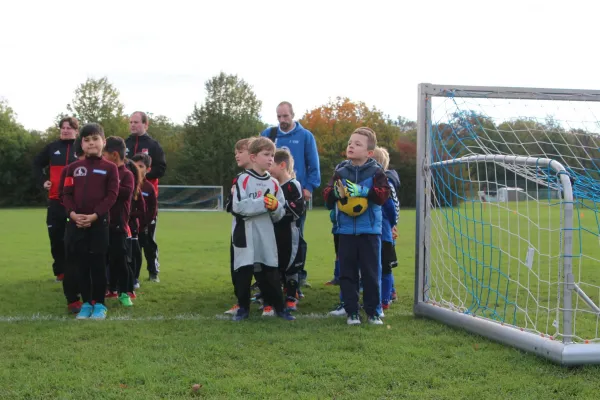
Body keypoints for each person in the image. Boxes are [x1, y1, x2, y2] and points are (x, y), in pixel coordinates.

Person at [323, 127, 390, 325]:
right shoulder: (340, 172)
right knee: (347, 273)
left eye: (357, 144)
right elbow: (327, 197)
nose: (351, 146)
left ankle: (373, 312)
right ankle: (351, 311)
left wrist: (363, 191)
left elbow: (382, 196)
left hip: (369, 231)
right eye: (350, 142)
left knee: (371, 274)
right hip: (345, 231)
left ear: (369, 153)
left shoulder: (377, 172)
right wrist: (335, 193)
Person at [230, 137, 295, 321]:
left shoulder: (274, 184)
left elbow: (280, 213)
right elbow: (238, 207)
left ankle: (279, 308)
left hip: (266, 235)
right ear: (253, 156)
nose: (270, 159)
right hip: (245, 234)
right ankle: (243, 308)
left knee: (270, 272)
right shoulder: (243, 179)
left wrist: (275, 208)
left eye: (272, 155)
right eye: (266, 155)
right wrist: (264, 203)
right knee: (244, 272)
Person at [61, 123, 119, 320]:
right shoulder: (73, 168)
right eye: (86, 140)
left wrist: (95, 215)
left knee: (98, 265)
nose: (91, 143)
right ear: (82, 144)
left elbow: (112, 195)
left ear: (103, 141)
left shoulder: (110, 168)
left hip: (99, 225)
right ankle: (86, 303)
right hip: (76, 224)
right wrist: (73, 214)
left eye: (95, 139)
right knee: (82, 266)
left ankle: (100, 305)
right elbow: (66, 194)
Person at [262, 101, 320, 287]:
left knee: (296, 235)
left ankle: (297, 275)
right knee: (270, 234)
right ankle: (272, 275)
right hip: (270, 192)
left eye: (285, 116)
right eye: (279, 116)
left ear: (293, 114)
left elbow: (313, 164)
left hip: (294, 193)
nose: (282, 120)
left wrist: (309, 187)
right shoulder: (269, 134)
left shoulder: (305, 136)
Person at [33, 116, 79, 281]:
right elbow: (37, 164)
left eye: (69, 127)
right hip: (55, 201)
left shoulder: (81, 147)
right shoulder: (52, 147)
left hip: (76, 202)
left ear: (76, 130)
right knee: (56, 238)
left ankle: (76, 271)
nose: (66, 130)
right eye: (63, 128)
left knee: (75, 239)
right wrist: (42, 180)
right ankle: (60, 272)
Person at [126, 112, 166, 282]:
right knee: (129, 238)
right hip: (127, 199)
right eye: (131, 122)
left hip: (147, 198)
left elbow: (161, 168)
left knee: (148, 238)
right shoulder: (125, 143)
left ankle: (153, 272)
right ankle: (130, 273)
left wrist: (141, 175)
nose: (133, 125)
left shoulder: (153, 145)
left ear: (145, 124)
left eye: (136, 122)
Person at [269, 149, 306, 311]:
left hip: (290, 232)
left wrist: (277, 206)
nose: (268, 169)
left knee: (291, 264)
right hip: (273, 232)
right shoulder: (272, 185)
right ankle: (272, 293)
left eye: (271, 165)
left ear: (282, 165)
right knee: (275, 264)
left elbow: (297, 209)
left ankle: (292, 295)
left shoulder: (293, 185)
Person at [103, 137, 135, 307]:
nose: (102, 158)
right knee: (101, 260)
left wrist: (107, 185)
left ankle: (124, 292)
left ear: (114, 155)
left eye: (104, 154)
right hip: (100, 225)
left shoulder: (127, 175)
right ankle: (105, 289)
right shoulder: (103, 171)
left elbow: (122, 194)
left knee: (120, 261)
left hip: (118, 226)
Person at [224, 137, 255, 315]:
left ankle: (267, 301)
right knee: (238, 267)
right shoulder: (239, 178)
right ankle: (241, 301)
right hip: (240, 230)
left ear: (253, 155)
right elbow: (231, 206)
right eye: (235, 152)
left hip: (259, 230)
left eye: (240, 151)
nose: (236, 155)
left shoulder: (266, 178)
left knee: (262, 268)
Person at [372, 147, 399, 312]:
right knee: (378, 267)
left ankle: (384, 299)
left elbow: (392, 207)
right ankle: (387, 295)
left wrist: (393, 224)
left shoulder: (385, 184)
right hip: (378, 232)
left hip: (383, 233)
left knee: (384, 267)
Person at [130, 153, 158, 284]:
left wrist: (145, 223)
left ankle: (153, 272)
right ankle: (134, 277)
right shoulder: (128, 183)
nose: (137, 168)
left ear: (148, 169)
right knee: (134, 252)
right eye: (135, 165)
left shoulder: (149, 187)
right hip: (131, 226)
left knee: (149, 248)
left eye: (141, 166)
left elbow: (153, 208)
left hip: (146, 225)